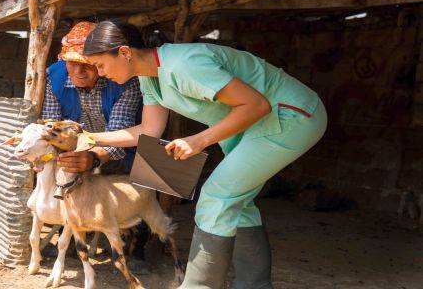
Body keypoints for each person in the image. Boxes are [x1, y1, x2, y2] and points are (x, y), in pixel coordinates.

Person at [73, 20, 327, 288]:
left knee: (217, 196)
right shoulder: (149, 76)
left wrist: (198, 140)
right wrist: (88, 137)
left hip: (290, 116)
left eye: (100, 64)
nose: (99, 73)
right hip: (252, 124)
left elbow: (257, 104)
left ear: (124, 52)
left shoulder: (185, 65)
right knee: (236, 203)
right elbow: (148, 130)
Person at [42, 21, 151, 271]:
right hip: (73, 147)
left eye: (87, 65)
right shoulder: (55, 77)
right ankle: (69, 236)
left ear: (99, 60)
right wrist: (56, 157)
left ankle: (138, 245)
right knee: (64, 175)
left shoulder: (125, 79)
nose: (78, 72)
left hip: (127, 145)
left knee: (143, 182)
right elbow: (51, 126)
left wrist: (93, 158)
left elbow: (119, 132)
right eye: (72, 63)